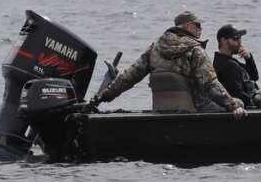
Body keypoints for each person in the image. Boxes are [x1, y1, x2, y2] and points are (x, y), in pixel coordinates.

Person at [95, 11, 246, 119]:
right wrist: (233, 106)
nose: (201, 29)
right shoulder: (195, 50)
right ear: (187, 26)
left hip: (162, 110)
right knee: (240, 102)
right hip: (195, 108)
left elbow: (129, 77)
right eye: (198, 25)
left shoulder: (153, 49)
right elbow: (210, 83)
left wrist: (105, 96)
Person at [213, 24, 260, 108]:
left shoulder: (232, 62)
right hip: (242, 107)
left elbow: (254, 77)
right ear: (223, 40)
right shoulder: (225, 65)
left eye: (240, 38)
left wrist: (248, 58)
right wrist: (253, 103)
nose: (239, 41)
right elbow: (236, 93)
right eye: (236, 38)